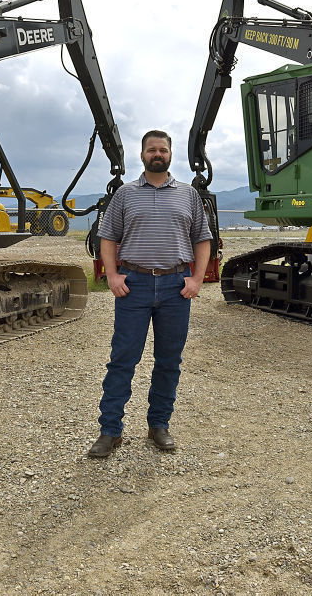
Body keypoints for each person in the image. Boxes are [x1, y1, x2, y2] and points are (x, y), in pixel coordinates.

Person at [87, 129, 212, 458]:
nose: (158, 154)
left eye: (163, 150)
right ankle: (110, 431)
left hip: (175, 287)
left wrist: (196, 280)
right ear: (142, 155)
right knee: (122, 360)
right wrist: (112, 275)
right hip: (134, 286)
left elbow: (202, 240)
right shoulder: (125, 195)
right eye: (152, 150)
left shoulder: (188, 196)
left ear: (170, 155)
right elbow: (108, 238)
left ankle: (159, 426)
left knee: (169, 361)